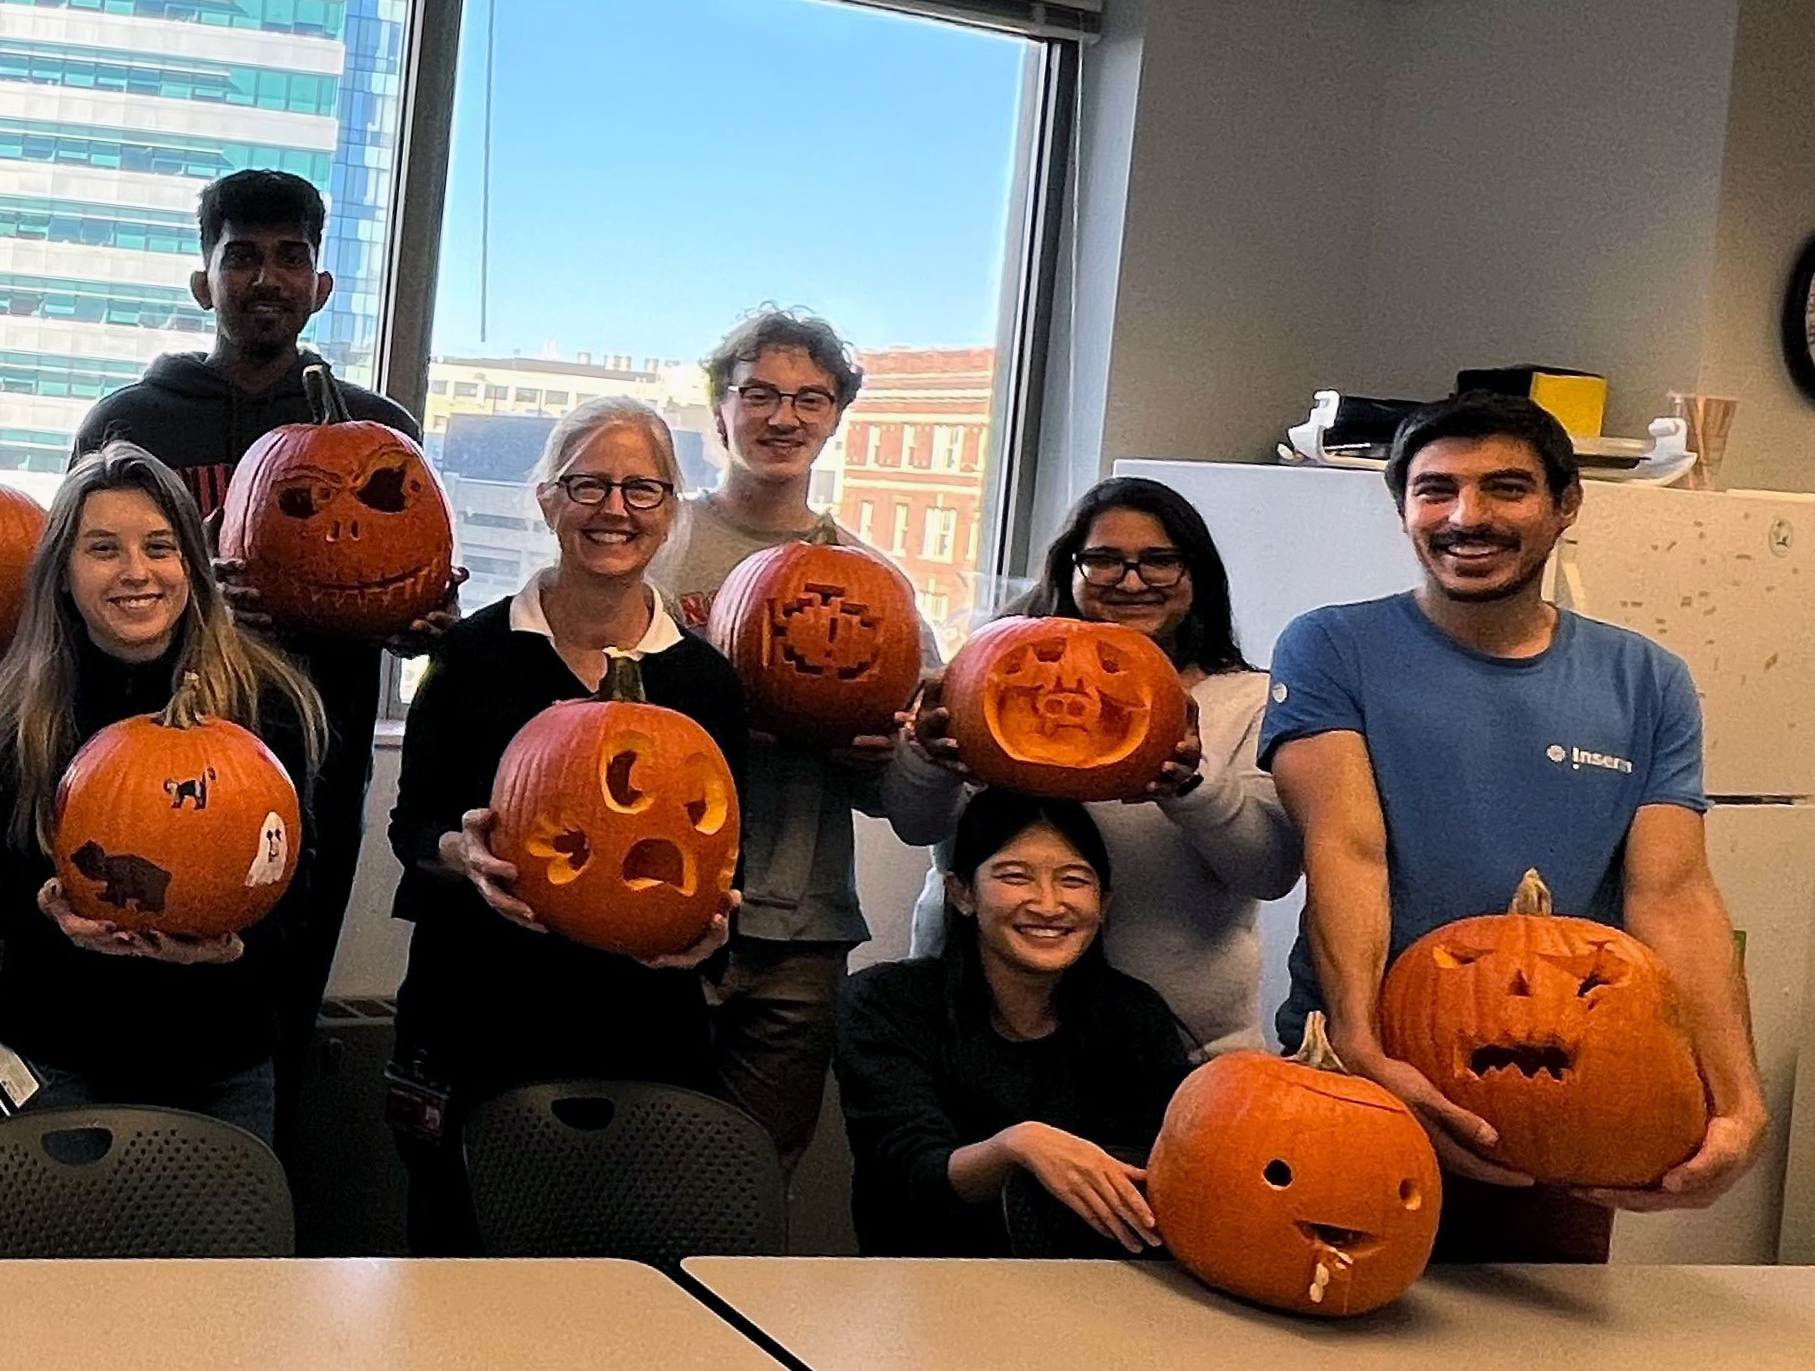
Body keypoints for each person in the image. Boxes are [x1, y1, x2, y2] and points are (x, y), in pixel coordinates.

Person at [1267, 392, 1769, 1262]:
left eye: (1505, 488)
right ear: (1402, 510)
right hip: (1360, 1091)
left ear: (1565, 504)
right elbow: (1345, 851)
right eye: (1435, 490)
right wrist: (1357, 1041)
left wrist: (1737, 1099)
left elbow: (1674, 895)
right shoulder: (1331, 647)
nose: (1467, 517)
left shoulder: (1646, 679)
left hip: (1563, 1102)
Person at [71, 168, 450, 1140]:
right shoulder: (131, 425)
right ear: (205, 280)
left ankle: (244, 1241)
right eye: (243, 255)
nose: (267, 277)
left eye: (292, 257)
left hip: (314, 779)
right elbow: (64, 592)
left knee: (274, 1034)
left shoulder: (379, 436)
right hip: (145, 774)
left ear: (322, 286)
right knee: (125, 1020)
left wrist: (416, 622)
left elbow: (403, 581)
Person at [389, 399, 744, 1254]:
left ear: (669, 510)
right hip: (478, 1012)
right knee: (460, 1264)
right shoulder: (472, 653)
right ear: (548, 501)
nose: (613, 508)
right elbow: (413, 822)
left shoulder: (703, 679)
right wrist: (460, 851)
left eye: (640, 488)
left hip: (638, 1021)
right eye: (588, 483)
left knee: (626, 1269)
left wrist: (710, 935)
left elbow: (725, 851)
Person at [642, 306, 946, 1164]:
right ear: (719, 411)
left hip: (800, 925)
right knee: (633, 1153)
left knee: (752, 1169)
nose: (784, 418)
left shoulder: (874, 584)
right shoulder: (656, 546)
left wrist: (893, 756)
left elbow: (907, 805)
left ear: (835, 417)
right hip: (654, 897)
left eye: (810, 399)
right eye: (760, 394)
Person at [0, 447, 326, 1145]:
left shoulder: (269, 703)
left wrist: (233, 947)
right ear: (63, 575)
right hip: (61, 1048)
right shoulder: (19, 710)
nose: (135, 571)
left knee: (218, 1250)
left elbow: (297, 886)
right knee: (61, 1247)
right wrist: (44, 909)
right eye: (103, 549)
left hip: (221, 1054)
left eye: (158, 547)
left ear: (191, 563)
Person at [900, 477, 1298, 1057]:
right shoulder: (998, 673)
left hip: (1175, 1038)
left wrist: (1191, 785)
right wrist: (927, 760)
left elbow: (1269, 872)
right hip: (979, 1026)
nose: (1132, 581)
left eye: (1160, 561)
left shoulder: (1248, 700)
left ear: (1198, 575)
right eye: (1104, 561)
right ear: (1070, 569)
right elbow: (917, 826)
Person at [837, 790, 1196, 1257]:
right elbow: (912, 1176)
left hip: (1098, 1288)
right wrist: (1018, 1146)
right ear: (962, 893)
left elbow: (1172, 1171)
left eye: (1073, 880)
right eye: (1014, 877)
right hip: (928, 1281)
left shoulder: (1134, 1014)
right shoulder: (884, 1003)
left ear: (1104, 903)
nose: (1048, 904)